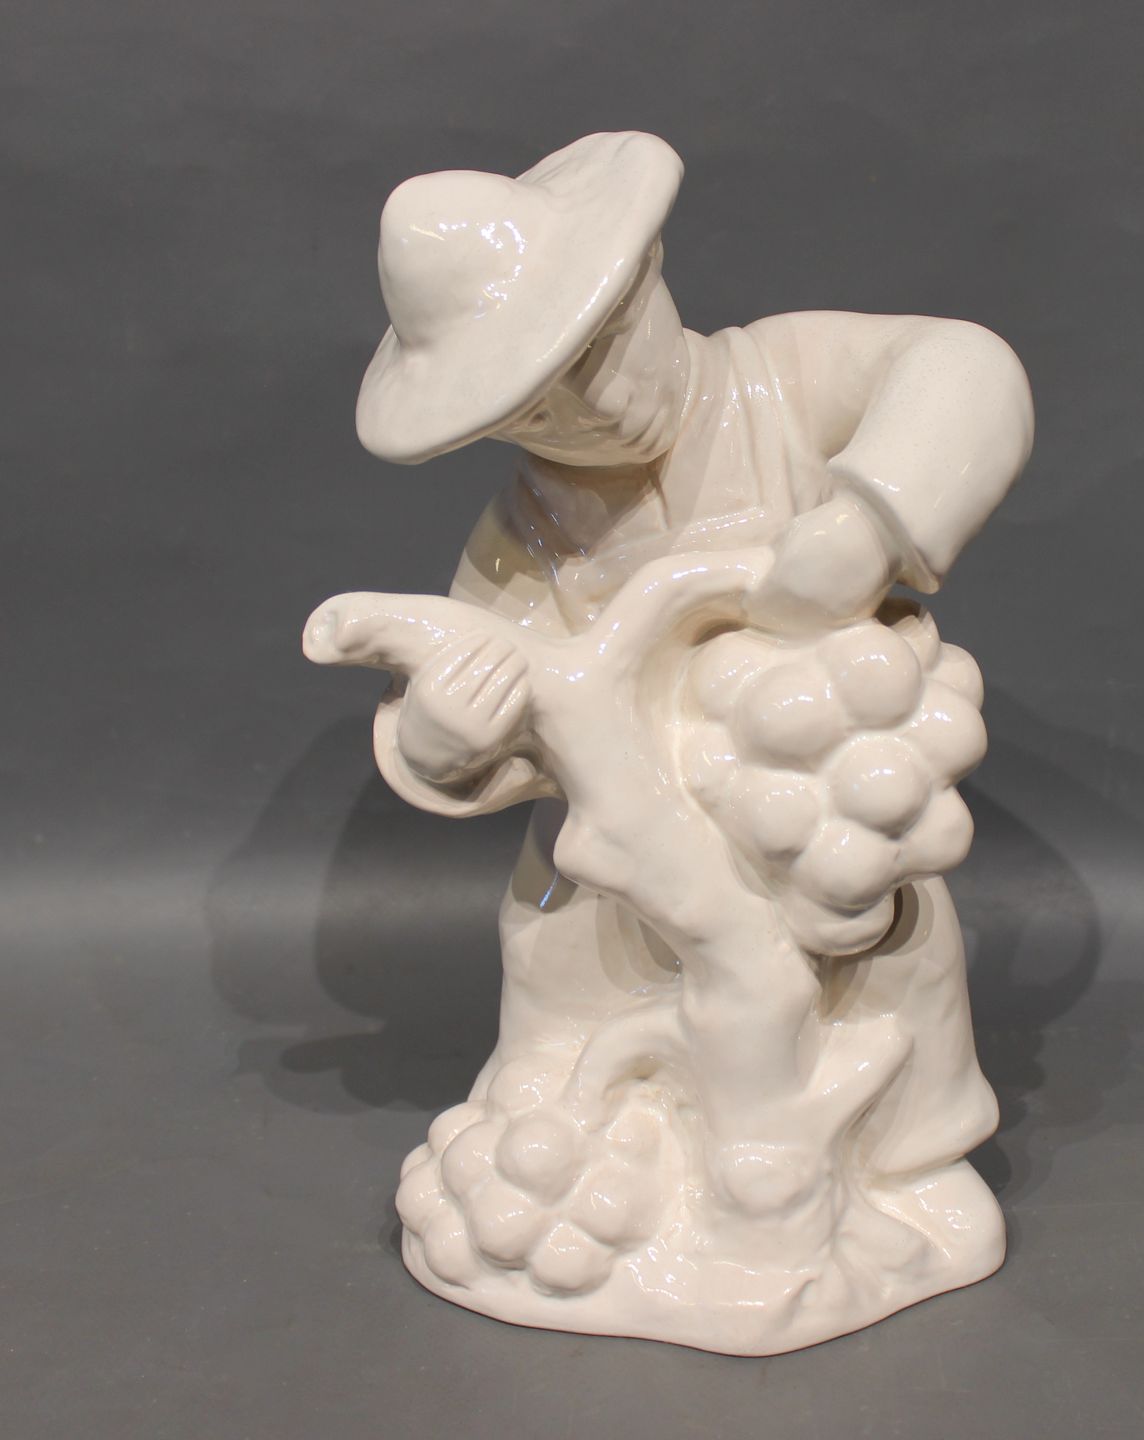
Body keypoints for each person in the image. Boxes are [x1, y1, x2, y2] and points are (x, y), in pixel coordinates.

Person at [350, 129, 1033, 1182]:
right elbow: (485, 685)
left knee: (885, 977)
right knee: (560, 981)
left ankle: (889, 1170)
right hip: (628, 873)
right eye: (538, 405)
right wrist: (445, 744)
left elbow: (965, 368)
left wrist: (870, 522)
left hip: (819, 843)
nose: (594, 408)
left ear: (646, 278)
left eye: (601, 349)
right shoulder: (527, 536)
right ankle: (591, 1162)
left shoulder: (781, 382)